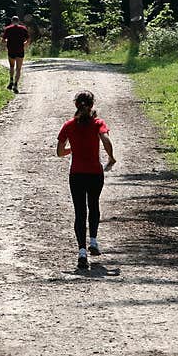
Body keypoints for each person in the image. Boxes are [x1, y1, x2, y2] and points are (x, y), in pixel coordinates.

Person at [56, 90, 116, 270]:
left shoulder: (68, 125)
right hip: (95, 173)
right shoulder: (98, 123)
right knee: (94, 205)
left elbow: (59, 152)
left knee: (80, 212)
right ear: (92, 105)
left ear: (76, 104)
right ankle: (94, 242)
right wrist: (111, 158)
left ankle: (82, 252)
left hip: (76, 174)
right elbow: (105, 139)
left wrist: (72, 150)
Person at [1, 15, 30, 93]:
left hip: (11, 50)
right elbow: (28, 39)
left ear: (12, 21)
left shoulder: (8, 29)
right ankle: (16, 85)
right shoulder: (23, 28)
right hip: (20, 49)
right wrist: (24, 44)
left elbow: (3, 40)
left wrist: (8, 42)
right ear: (18, 21)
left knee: (11, 66)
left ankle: (11, 81)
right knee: (18, 68)